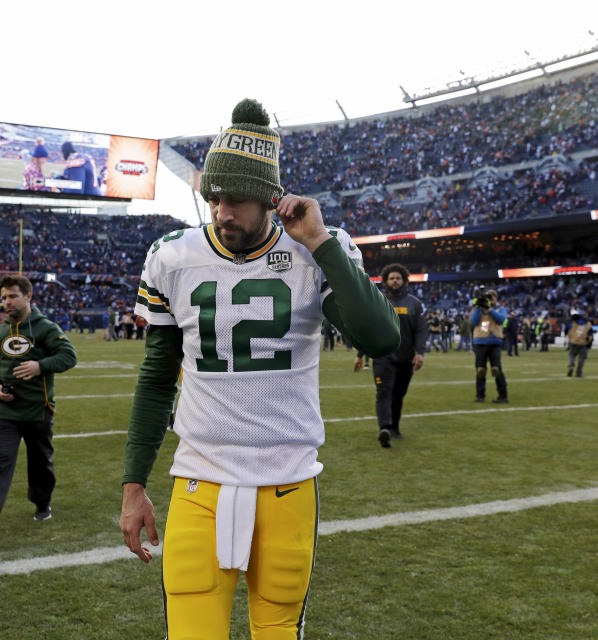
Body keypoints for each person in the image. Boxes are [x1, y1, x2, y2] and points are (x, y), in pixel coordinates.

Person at [119, 98, 399, 640]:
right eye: (216, 197)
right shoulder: (173, 256)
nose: (224, 212)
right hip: (200, 480)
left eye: (239, 200)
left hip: (287, 482)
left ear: (271, 199)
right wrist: (133, 486)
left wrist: (318, 244)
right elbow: (156, 380)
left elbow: (380, 337)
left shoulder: (318, 249)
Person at [0, 275, 78, 544]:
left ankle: (42, 503)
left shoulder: (45, 328)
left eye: (12, 296)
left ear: (28, 296)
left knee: (40, 465)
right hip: (4, 413)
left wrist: (40, 366)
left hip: (38, 412)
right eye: (3, 297)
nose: (6, 302)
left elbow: (69, 356)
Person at [354, 263, 427, 448]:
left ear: (404, 280)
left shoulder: (415, 304)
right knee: (384, 392)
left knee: (398, 394)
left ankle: (394, 427)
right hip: (382, 356)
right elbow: (368, 329)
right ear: (385, 281)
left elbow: (420, 330)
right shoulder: (377, 301)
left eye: (398, 278)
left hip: (406, 357)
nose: (395, 281)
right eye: (392, 278)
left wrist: (420, 353)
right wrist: (360, 354)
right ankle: (384, 428)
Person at [470, 288, 508, 403]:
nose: (490, 299)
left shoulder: (501, 309)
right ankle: (480, 395)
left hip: (495, 342)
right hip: (480, 342)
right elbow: (475, 322)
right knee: (480, 370)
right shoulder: (478, 309)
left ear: (496, 298)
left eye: (493, 297)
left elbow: (500, 320)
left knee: (496, 369)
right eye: (489, 297)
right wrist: (478, 306)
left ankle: (503, 395)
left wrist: (489, 309)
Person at [565, 308, 594, 377]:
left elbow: (567, 331)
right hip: (583, 343)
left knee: (572, 355)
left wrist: (569, 339)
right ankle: (578, 373)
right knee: (582, 359)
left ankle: (571, 364)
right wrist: (589, 343)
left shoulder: (572, 322)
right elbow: (590, 334)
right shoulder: (588, 323)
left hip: (573, 342)